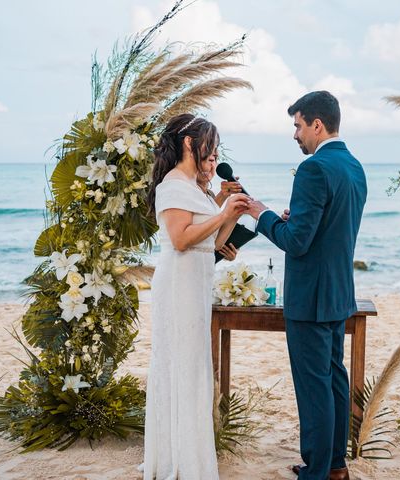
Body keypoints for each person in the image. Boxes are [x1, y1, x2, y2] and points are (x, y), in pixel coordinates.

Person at [246, 91, 367, 480]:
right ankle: (334, 465)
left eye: (297, 125)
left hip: (310, 297)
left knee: (314, 386)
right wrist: (294, 218)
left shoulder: (314, 169)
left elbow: (296, 242)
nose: (295, 134)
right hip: (337, 294)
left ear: (317, 124)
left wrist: (261, 213)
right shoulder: (354, 166)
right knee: (333, 378)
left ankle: (315, 472)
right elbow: (327, 228)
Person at [141, 113, 250, 479]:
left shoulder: (196, 187)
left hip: (197, 282)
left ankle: (192, 455)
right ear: (189, 143)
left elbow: (214, 243)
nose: (214, 157)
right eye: (210, 147)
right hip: (179, 285)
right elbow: (181, 239)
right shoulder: (172, 184)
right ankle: (178, 459)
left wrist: (230, 213)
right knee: (180, 364)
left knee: (194, 365)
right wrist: (221, 213)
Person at [196, 155, 242, 261]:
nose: (208, 164)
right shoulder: (185, 193)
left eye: (213, 160)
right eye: (202, 159)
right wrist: (223, 196)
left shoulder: (210, 195)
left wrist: (226, 254)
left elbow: (213, 239)